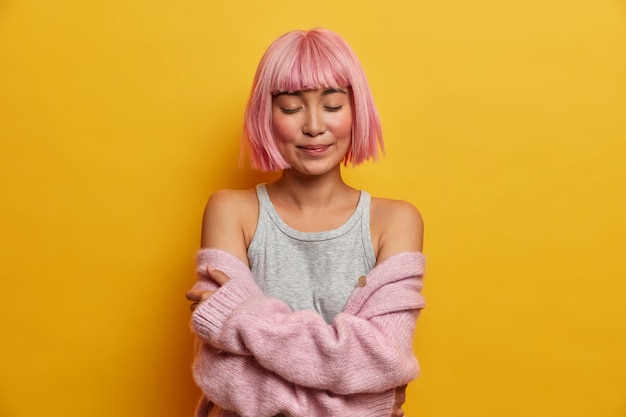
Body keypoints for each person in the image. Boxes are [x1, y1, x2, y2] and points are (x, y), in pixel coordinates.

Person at [186, 28, 426, 417]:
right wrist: (368, 400)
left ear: (356, 110)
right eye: (291, 107)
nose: (314, 125)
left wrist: (244, 316)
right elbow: (223, 377)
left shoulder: (395, 221)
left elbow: (385, 358)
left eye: (332, 106)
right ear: (267, 113)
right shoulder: (231, 212)